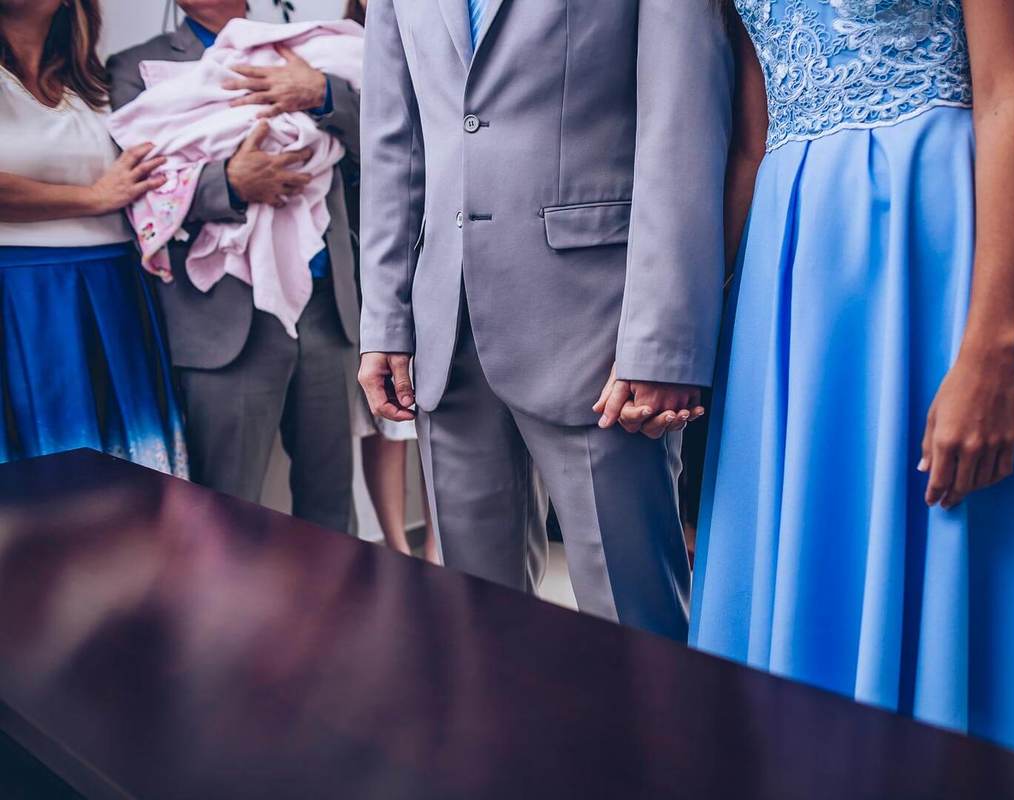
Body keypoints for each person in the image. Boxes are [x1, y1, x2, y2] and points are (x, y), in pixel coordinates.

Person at [690, 0, 1014, 772]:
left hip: (932, 263)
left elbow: (1012, 94)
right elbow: (751, 141)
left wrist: (991, 351)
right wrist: (692, 326)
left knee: (950, 559)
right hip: (790, 285)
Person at [358, 0, 732, 640]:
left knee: (634, 622)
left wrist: (662, 342)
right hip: (443, 330)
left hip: (599, 334)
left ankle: (662, 742)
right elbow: (394, 143)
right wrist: (385, 320)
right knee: (476, 623)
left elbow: (682, 130)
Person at [105, 0, 362, 533]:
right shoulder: (137, 66)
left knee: (332, 502)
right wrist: (228, 183)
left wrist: (322, 94)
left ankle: (340, 613)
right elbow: (132, 186)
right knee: (224, 510)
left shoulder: (308, 49)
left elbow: (386, 143)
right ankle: (224, 619)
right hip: (222, 320)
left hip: (325, 306)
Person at [0, 0, 187, 477]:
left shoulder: (98, 85)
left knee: (128, 470)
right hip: (22, 295)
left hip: (115, 289)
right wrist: (94, 198)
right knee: (42, 475)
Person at [341, 0, 434, 559]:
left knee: (433, 411)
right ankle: (395, 546)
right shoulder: (340, 40)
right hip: (372, 246)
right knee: (388, 414)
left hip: (442, 236)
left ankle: (437, 548)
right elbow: (379, 146)